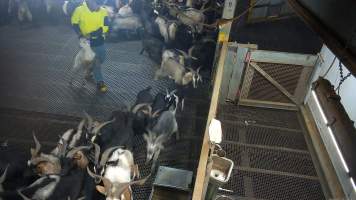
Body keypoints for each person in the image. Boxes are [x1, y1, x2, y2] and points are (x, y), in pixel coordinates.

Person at [71, 0, 109, 92]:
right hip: (86, 42)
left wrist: (97, 32)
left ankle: (89, 71)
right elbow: (74, 22)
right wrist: (80, 35)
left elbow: (106, 25)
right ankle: (100, 81)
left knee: (102, 57)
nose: (98, 7)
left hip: (100, 40)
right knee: (96, 61)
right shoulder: (79, 10)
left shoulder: (103, 10)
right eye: (96, 4)